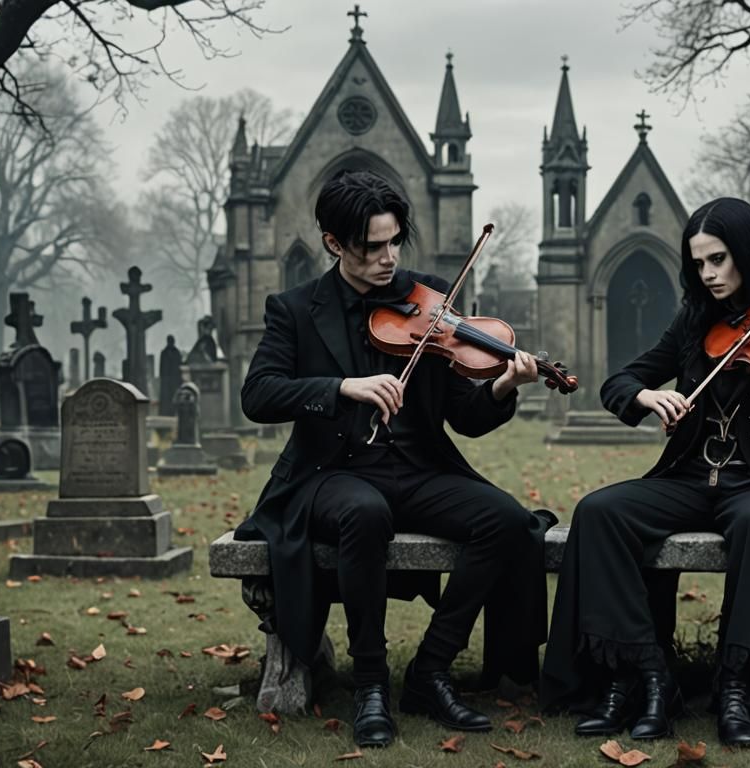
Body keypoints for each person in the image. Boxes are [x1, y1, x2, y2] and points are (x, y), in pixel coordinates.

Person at [540, 197, 750, 745]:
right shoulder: (693, 322)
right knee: (600, 512)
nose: (709, 274)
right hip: (691, 476)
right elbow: (618, 381)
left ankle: (738, 686)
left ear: (745, 253)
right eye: (699, 264)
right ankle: (646, 676)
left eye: (718, 259)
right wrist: (647, 394)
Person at [236, 169, 551, 749]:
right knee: (364, 512)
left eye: (394, 242)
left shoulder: (429, 299)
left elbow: (467, 417)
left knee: (505, 521)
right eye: (372, 247)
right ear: (335, 244)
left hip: (418, 470)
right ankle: (371, 682)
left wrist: (504, 387)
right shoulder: (296, 309)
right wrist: (340, 388)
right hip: (333, 475)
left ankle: (430, 670)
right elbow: (257, 395)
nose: (388, 258)